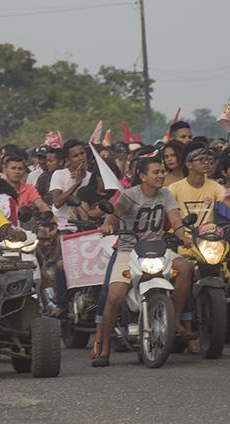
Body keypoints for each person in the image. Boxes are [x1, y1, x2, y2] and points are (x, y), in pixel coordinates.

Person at [92, 157, 191, 367]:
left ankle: (175, 320)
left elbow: (175, 220)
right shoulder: (130, 195)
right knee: (114, 295)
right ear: (143, 176)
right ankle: (105, 348)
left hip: (158, 248)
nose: (161, 175)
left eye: (162, 171)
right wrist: (108, 225)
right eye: (155, 172)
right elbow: (114, 214)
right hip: (129, 250)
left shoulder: (166, 194)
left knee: (184, 266)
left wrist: (183, 234)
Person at [48, 140, 91, 230]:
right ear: (68, 160)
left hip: (87, 227)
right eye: (75, 156)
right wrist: (77, 183)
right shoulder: (59, 174)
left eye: (82, 153)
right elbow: (57, 202)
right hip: (64, 227)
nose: (80, 158)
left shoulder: (91, 177)